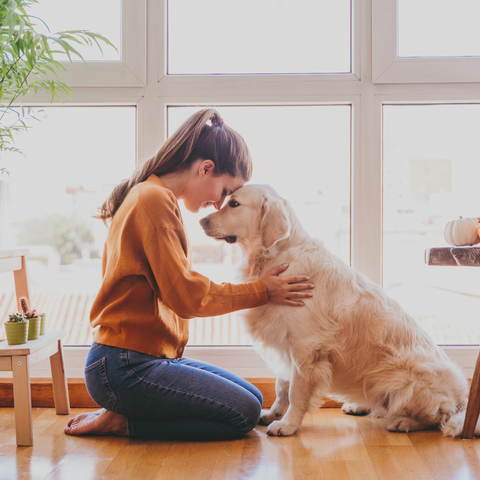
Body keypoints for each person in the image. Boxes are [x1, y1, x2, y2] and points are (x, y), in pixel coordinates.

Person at [64, 108, 314, 441]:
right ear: (205, 168)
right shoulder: (153, 201)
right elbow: (187, 297)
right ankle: (124, 421)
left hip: (140, 360)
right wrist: (262, 290)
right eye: (225, 191)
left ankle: (125, 408)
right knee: (242, 414)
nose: (218, 204)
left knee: (254, 400)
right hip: (124, 367)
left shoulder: (151, 195)